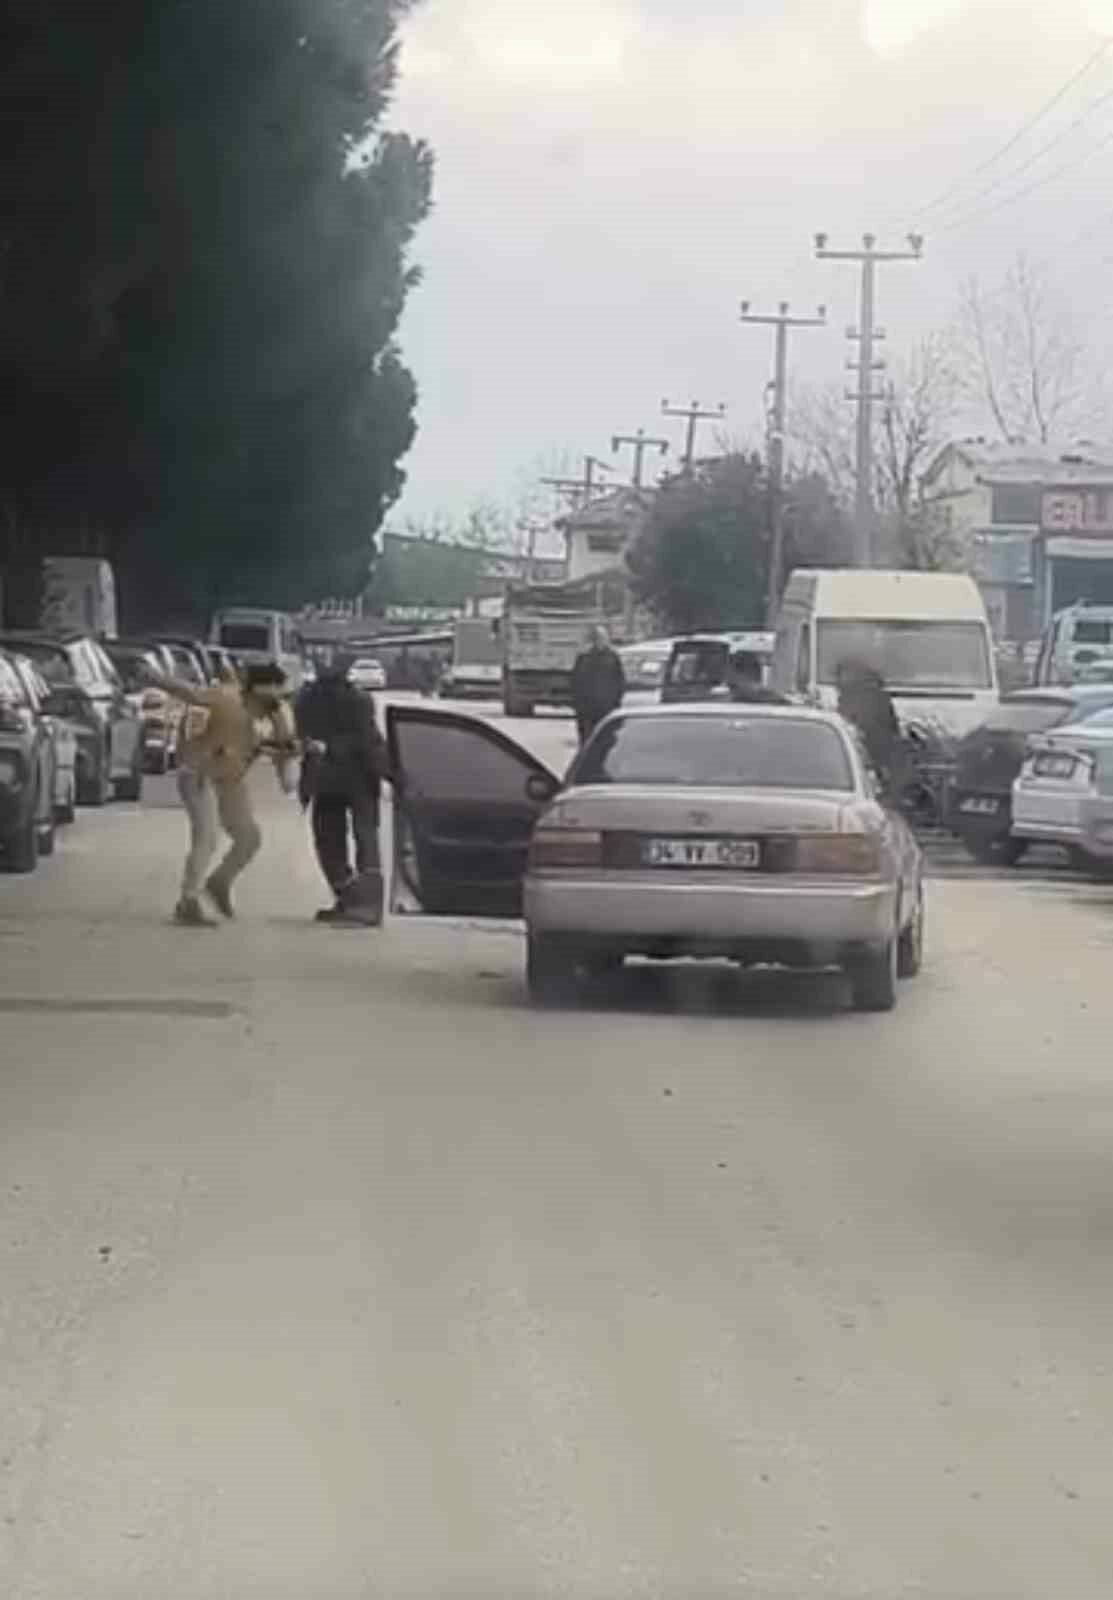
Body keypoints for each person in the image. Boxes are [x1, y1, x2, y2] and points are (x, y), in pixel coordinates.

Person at [148, 659, 296, 926]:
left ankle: (219, 882)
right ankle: (188, 901)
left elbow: (268, 748)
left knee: (249, 837)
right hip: (199, 774)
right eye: (277, 695)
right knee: (207, 836)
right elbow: (191, 693)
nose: (276, 706)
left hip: (230, 780)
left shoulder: (269, 716)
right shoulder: (226, 698)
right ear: (260, 690)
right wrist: (157, 678)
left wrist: (287, 751)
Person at [295, 652, 388, 926]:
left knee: (332, 841)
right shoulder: (359, 700)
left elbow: (302, 734)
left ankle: (353, 900)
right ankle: (360, 903)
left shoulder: (306, 698)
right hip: (354, 779)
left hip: (331, 778)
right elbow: (369, 740)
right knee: (360, 840)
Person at [835, 657, 902, 791]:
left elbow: (846, 720)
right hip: (878, 747)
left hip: (867, 745)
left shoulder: (849, 697)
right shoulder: (881, 696)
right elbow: (893, 726)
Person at [570, 624, 626, 744]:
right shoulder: (584, 657)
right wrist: (578, 703)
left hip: (606, 707)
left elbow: (620, 681)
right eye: (598, 638)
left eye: (603, 638)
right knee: (587, 740)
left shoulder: (613, 657)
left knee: (606, 739)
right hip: (587, 709)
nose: (600, 641)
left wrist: (615, 701)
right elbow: (575, 681)